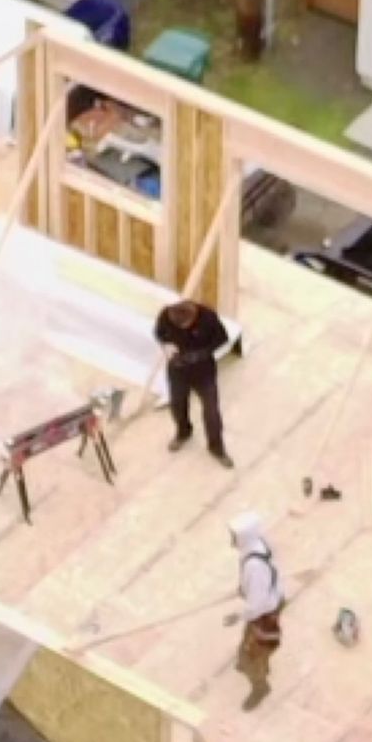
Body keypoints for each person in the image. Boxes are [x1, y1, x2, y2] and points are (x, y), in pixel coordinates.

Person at [154, 298, 233, 469]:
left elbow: (222, 338)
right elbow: (158, 333)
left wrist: (201, 354)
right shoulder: (166, 314)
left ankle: (216, 448)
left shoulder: (208, 316)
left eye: (186, 325)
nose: (182, 328)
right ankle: (184, 432)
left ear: (193, 315)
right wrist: (165, 345)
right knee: (177, 405)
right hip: (178, 370)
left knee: (211, 411)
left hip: (203, 371)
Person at [225, 511, 284, 711]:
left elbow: (257, 605)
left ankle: (260, 686)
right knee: (254, 643)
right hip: (269, 602)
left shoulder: (254, 566)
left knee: (251, 654)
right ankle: (259, 664)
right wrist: (243, 588)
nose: (232, 540)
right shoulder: (256, 547)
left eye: (234, 536)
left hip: (263, 613)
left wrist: (237, 616)